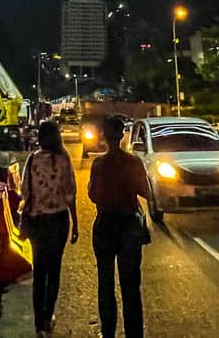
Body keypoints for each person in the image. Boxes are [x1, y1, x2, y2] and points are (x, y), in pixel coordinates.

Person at [87, 115, 151, 338]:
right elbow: (146, 191)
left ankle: (108, 332)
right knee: (131, 285)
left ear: (103, 136)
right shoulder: (133, 162)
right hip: (129, 225)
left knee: (105, 283)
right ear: (123, 135)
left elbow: (93, 194)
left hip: (105, 224)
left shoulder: (98, 164)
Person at [21, 119, 78, 337]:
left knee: (39, 272)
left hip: (37, 223)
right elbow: (70, 194)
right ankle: (47, 318)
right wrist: (75, 225)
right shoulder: (64, 160)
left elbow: (25, 192)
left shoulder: (32, 159)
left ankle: (38, 324)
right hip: (58, 222)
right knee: (54, 271)